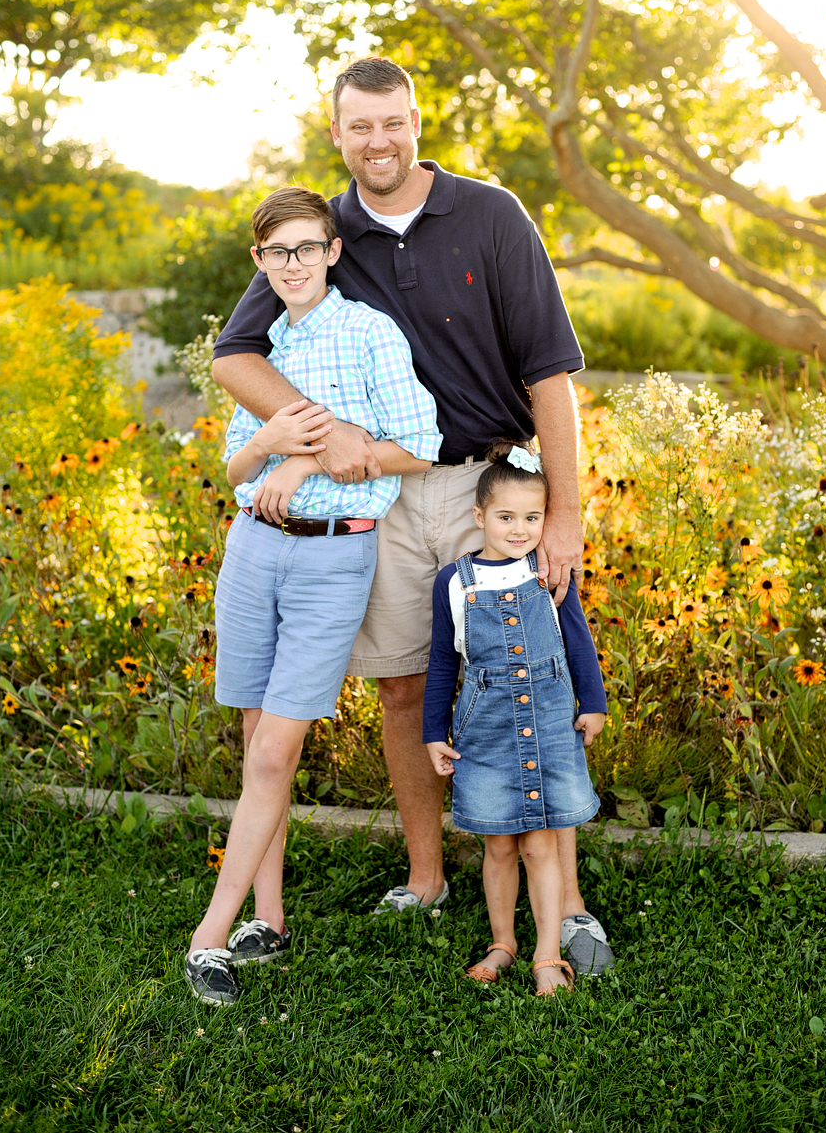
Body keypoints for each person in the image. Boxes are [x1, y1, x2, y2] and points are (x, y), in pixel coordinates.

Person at [212, 56, 615, 975]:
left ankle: (569, 905)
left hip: (492, 487)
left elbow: (550, 376)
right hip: (384, 498)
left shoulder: (490, 214)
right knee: (401, 686)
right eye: (360, 127)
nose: (378, 142)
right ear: (338, 134)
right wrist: (326, 435)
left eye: (393, 123)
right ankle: (428, 877)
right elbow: (236, 355)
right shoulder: (322, 231)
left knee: (529, 682)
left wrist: (562, 517)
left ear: (416, 121)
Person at [185, 185, 441, 1005]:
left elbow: (420, 443)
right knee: (258, 734)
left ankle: (209, 937)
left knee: (273, 750)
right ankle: (270, 917)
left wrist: (309, 456)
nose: (292, 263)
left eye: (307, 248)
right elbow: (232, 469)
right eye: (275, 252)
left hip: (335, 560)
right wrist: (268, 442)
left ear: (333, 251)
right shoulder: (262, 347)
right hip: (253, 552)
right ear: (259, 263)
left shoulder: (369, 333)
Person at [424, 443, 607, 995]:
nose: (520, 528)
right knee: (500, 845)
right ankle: (502, 942)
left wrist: (592, 702)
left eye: (533, 517)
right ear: (480, 517)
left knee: (541, 845)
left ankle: (547, 955)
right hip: (486, 734)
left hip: (549, 727)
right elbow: (441, 664)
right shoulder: (454, 584)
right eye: (506, 517)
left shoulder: (548, 570)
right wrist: (436, 732)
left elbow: (578, 640)